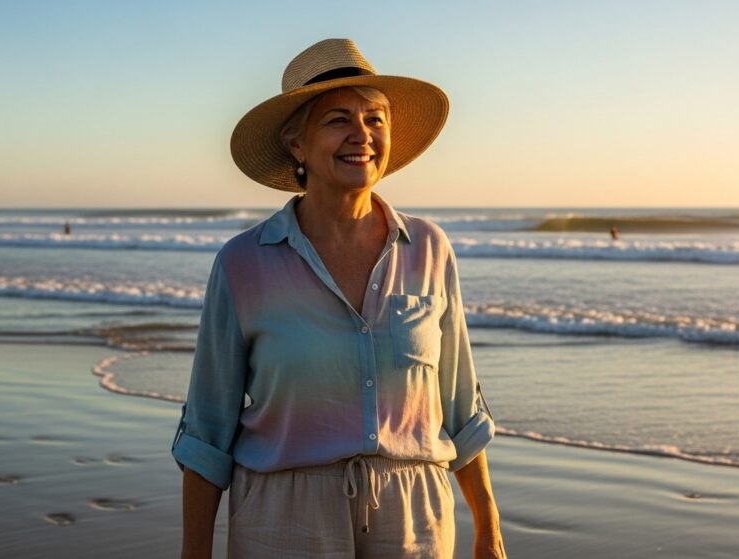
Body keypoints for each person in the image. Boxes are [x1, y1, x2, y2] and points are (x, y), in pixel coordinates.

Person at [172, 39, 505, 559]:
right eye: (338, 120)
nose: (362, 135)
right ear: (296, 143)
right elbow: (206, 432)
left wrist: (488, 527)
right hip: (283, 518)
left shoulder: (430, 250)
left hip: (414, 515)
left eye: (375, 119)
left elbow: (461, 406)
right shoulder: (243, 263)